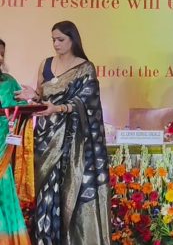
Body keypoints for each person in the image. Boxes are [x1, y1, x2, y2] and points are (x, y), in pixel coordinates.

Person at [15, 21, 111, 245]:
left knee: (70, 191)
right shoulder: (46, 64)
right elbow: (42, 97)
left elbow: (87, 102)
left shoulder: (85, 68)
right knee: (46, 194)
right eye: (53, 40)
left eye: (60, 39)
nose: (56, 44)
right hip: (46, 137)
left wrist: (57, 108)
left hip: (72, 142)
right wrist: (33, 96)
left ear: (72, 40)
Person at [0, 39, 31, 245]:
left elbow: (23, 107)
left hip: (3, 145)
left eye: (2, 53)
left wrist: (18, 111)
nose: (0, 58)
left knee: (4, 191)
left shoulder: (9, 82)